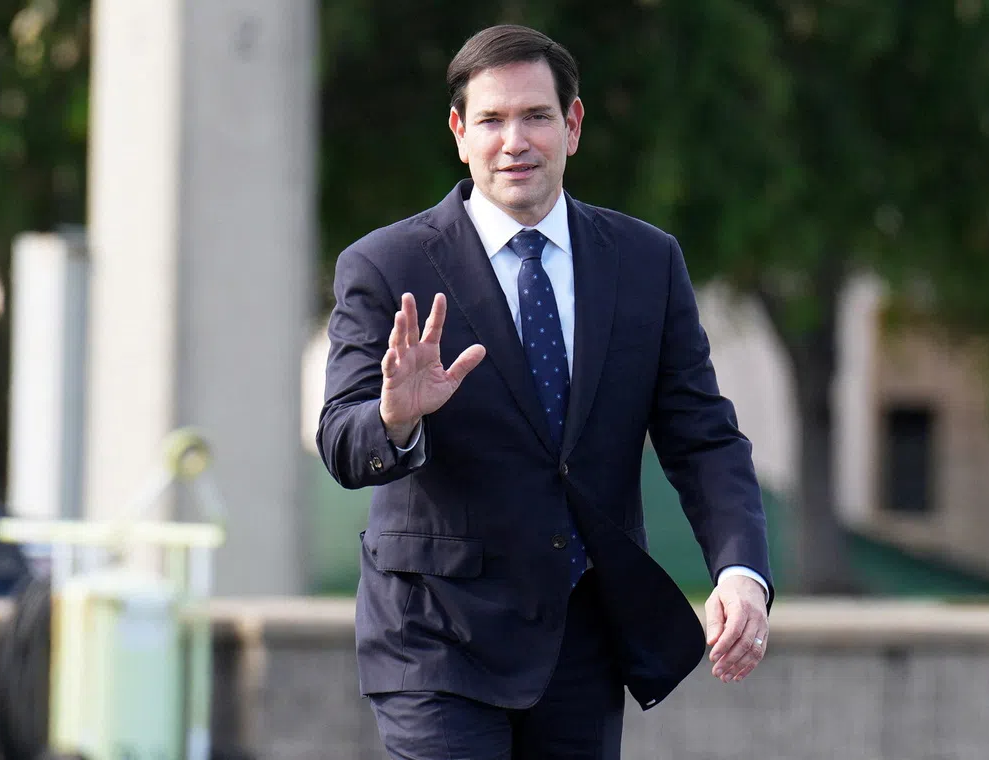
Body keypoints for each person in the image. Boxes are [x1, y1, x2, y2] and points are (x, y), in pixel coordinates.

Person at [317, 23, 773, 760]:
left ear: (573, 124)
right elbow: (342, 441)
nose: (514, 141)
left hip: (582, 633)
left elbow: (703, 437)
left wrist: (741, 569)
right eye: (492, 121)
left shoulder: (645, 264)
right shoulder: (386, 264)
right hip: (435, 639)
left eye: (535, 116)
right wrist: (396, 417)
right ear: (460, 134)